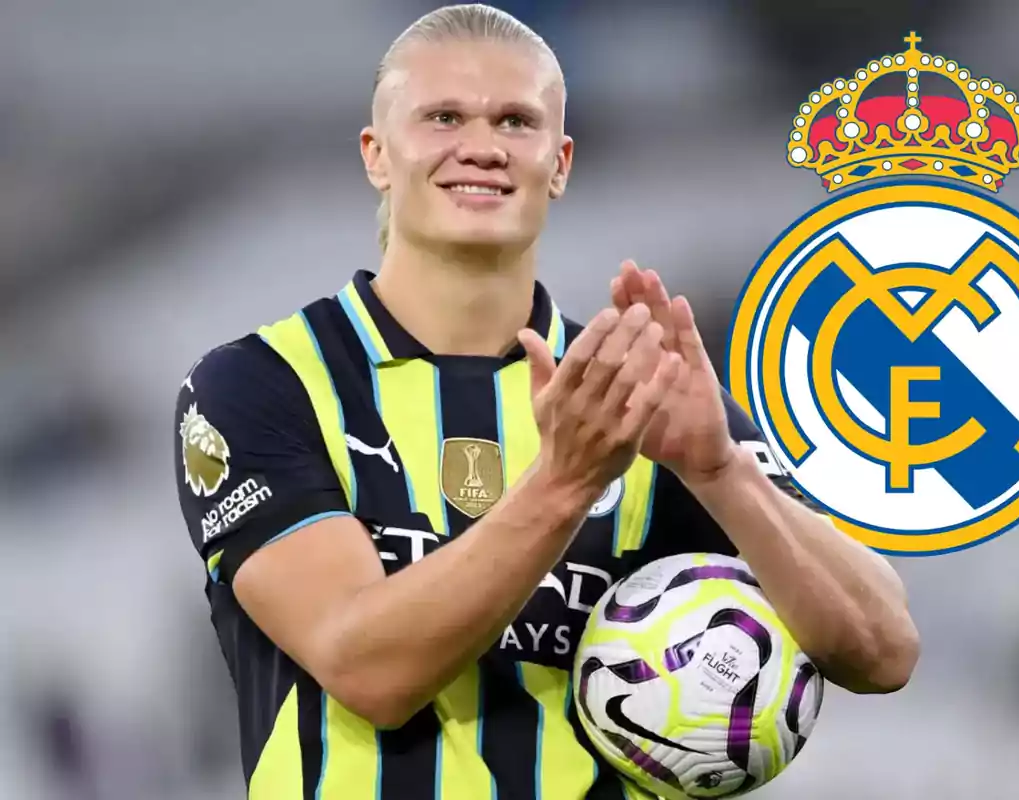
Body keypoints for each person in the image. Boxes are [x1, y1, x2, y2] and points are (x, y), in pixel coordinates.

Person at [172, 5, 919, 799]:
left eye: (516, 121)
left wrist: (718, 469)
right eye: (444, 117)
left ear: (559, 163)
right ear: (377, 155)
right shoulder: (262, 385)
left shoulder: (632, 394)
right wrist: (564, 484)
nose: (483, 147)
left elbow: (882, 651)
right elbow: (371, 668)